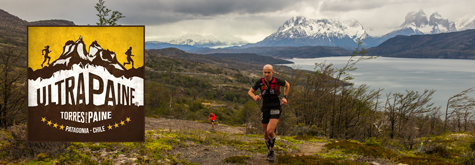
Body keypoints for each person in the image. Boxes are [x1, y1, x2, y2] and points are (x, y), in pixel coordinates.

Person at [248, 64, 290, 162]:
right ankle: (270, 150)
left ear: (272, 72)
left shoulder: (277, 81)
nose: (267, 74)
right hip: (265, 108)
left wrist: (285, 97)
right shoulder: (260, 82)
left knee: (270, 131)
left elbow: (287, 85)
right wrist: (254, 97)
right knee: (265, 133)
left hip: (276, 107)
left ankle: (271, 150)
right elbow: (250, 92)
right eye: (265, 72)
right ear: (263, 72)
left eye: (269, 72)